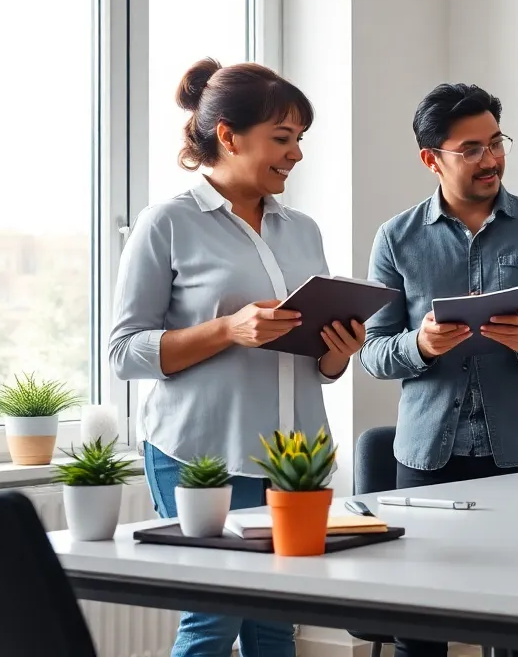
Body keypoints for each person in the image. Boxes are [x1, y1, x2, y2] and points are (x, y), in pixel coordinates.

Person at [109, 59, 365, 657]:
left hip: (293, 460)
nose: (296, 154)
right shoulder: (167, 223)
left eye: (299, 139)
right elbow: (125, 353)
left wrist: (337, 354)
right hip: (202, 454)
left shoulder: (302, 229)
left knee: (277, 624)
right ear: (227, 135)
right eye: (282, 138)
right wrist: (229, 327)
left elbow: (313, 362)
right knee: (212, 620)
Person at [359, 82, 518, 657]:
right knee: (421, 629)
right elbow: (371, 352)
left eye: (496, 143)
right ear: (431, 159)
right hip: (425, 458)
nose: (491, 160)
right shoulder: (396, 238)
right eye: (472, 149)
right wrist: (421, 345)